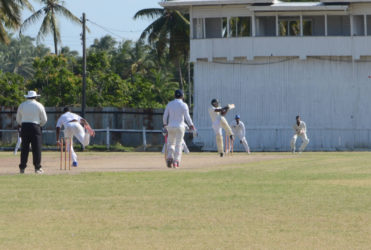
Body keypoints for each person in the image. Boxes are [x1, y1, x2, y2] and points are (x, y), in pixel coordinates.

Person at [16, 90, 47, 174]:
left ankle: (22, 168)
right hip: (35, 127)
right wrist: (39, 125)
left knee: (24, 148)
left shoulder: (22, 105)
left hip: (25, 126)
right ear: (36, 97)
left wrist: (22, 124)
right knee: (36, 148)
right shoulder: (39, 105)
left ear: (27, 97)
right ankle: (37, 168)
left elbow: (18, 119)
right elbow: (44, 119)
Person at [163, 89, 195, 168]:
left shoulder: (169, 104)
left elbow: (165, 116)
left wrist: (165, 124)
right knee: (178, 144)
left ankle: (170, 157)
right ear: (182, 96)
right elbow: (187, 117)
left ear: (174, 96)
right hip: (180, 127)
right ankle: (176, 161)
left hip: (170, 126)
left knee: (171, 143)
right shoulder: (184, 105)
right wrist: (191, 125)